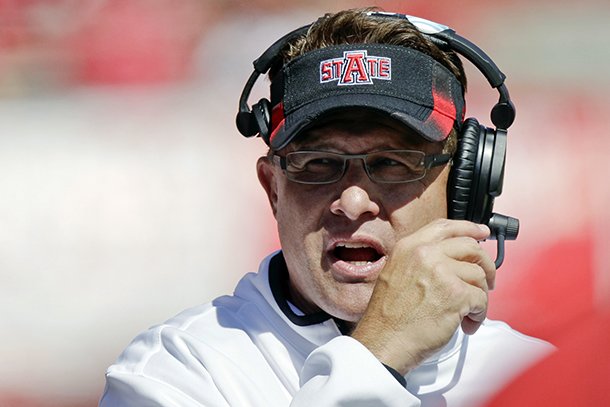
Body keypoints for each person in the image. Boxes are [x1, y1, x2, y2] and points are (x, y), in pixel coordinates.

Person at [100, 8, 553, 406]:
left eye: (393, 163)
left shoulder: (537, 376)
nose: (353, 202)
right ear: (272, 190)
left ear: (462, 187)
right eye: (318, 164)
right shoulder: (176, 374)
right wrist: (381, 355)